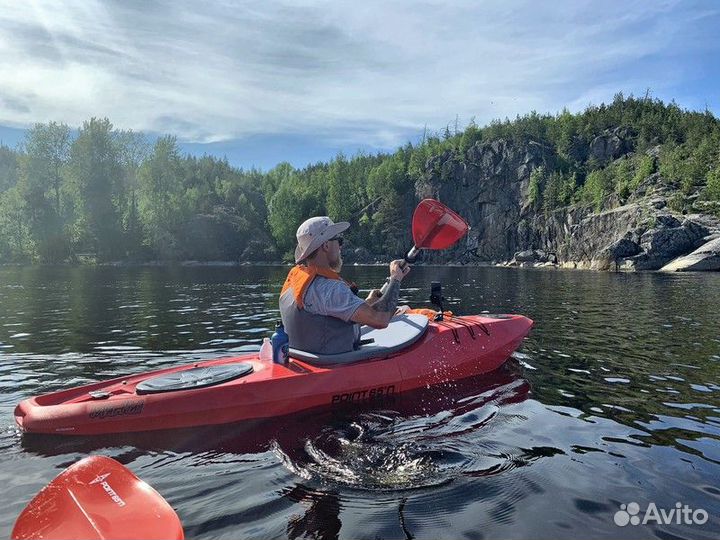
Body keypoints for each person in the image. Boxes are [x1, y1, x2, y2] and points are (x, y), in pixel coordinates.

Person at [279, 216, 410, 355]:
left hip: (305, 360)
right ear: (326, 245)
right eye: (338, 241)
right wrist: (396, 279)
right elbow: (380, 319)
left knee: (403, 309)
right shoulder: (330, 289)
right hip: (335, 366)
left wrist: (367, 302)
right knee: (404, 310)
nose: (340, 246)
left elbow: (329, 312)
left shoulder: (294, 284)